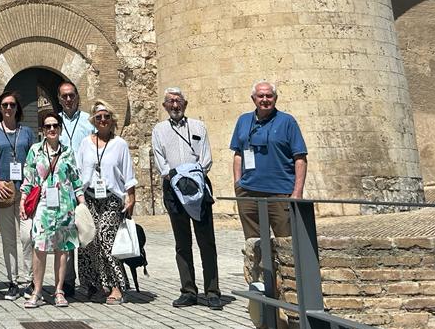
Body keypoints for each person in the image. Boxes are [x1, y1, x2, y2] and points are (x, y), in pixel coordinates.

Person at [151, 87, 221, 310]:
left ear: (185, 104)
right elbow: (160, 160)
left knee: (206, 240)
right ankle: (188, 290)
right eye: (170, 101)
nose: (175, 105)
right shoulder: (159, 130)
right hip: (173, 188)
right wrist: (176, 177)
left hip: (198, 185)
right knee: (182, 242)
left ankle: (212, 291)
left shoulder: (198, 126)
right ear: (164, 106)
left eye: (178, 101)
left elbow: (206, 158)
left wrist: (192, 175)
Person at [20, 111, 84, 308]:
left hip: (65, 207)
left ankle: (59, 291)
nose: (52, 129)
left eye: (55, 125)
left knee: (62, 249)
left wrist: (82, 203)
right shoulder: (35, 150)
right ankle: (37, 291)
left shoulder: (68, 152)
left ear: (60, 128)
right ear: (42, 129)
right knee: (39, 247)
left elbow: (75, 179)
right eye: (48, 126)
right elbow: (29, 178)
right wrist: (23, 201)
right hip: (43, 206)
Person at [230, 80, 308, 239]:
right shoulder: (243, 120)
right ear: (253, 99)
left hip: (280, 193)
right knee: (254, 243)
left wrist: (297, 192)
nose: (265, 99)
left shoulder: (287, 121)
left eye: (269, 96)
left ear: (275, 98)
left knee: (286, 242)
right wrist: (238, 184)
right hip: (248, 193)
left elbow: (300, 157)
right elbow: (238, 153)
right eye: (260, 96)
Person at [76, 100, 136, 305]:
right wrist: (78, 197)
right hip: (89, 197)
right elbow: (79, 171)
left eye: (106, 117)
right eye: (99, 117)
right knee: (90, 240)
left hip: (111, 198)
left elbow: (128, 174)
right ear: (93, 120)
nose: (102, 120)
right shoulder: (86, 143)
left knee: (106, 239)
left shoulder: (120, 144)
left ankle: (118, 285)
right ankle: (99, 284)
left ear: (112, 120)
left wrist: (131, 198)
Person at [0, 91, 36, 300]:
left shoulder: (27, 133)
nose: (9, 108)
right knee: (8, 240)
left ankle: (29, 280)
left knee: (27, 236)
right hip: (4, 192)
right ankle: (13, 282)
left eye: (12, 105)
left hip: (25, 192)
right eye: (5, 105)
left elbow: (34, 160)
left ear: (18, 108)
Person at [55, 81, 94, 298]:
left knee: (86, 231)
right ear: (59, 99)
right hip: (64, 187)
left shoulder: (89, 121)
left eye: (71, 95)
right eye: (64, 96)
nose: (68, 99)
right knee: (66, 234)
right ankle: (68, 281)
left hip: (86, 184)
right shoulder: (55, 122)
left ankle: (89, 280)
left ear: (77, 97)